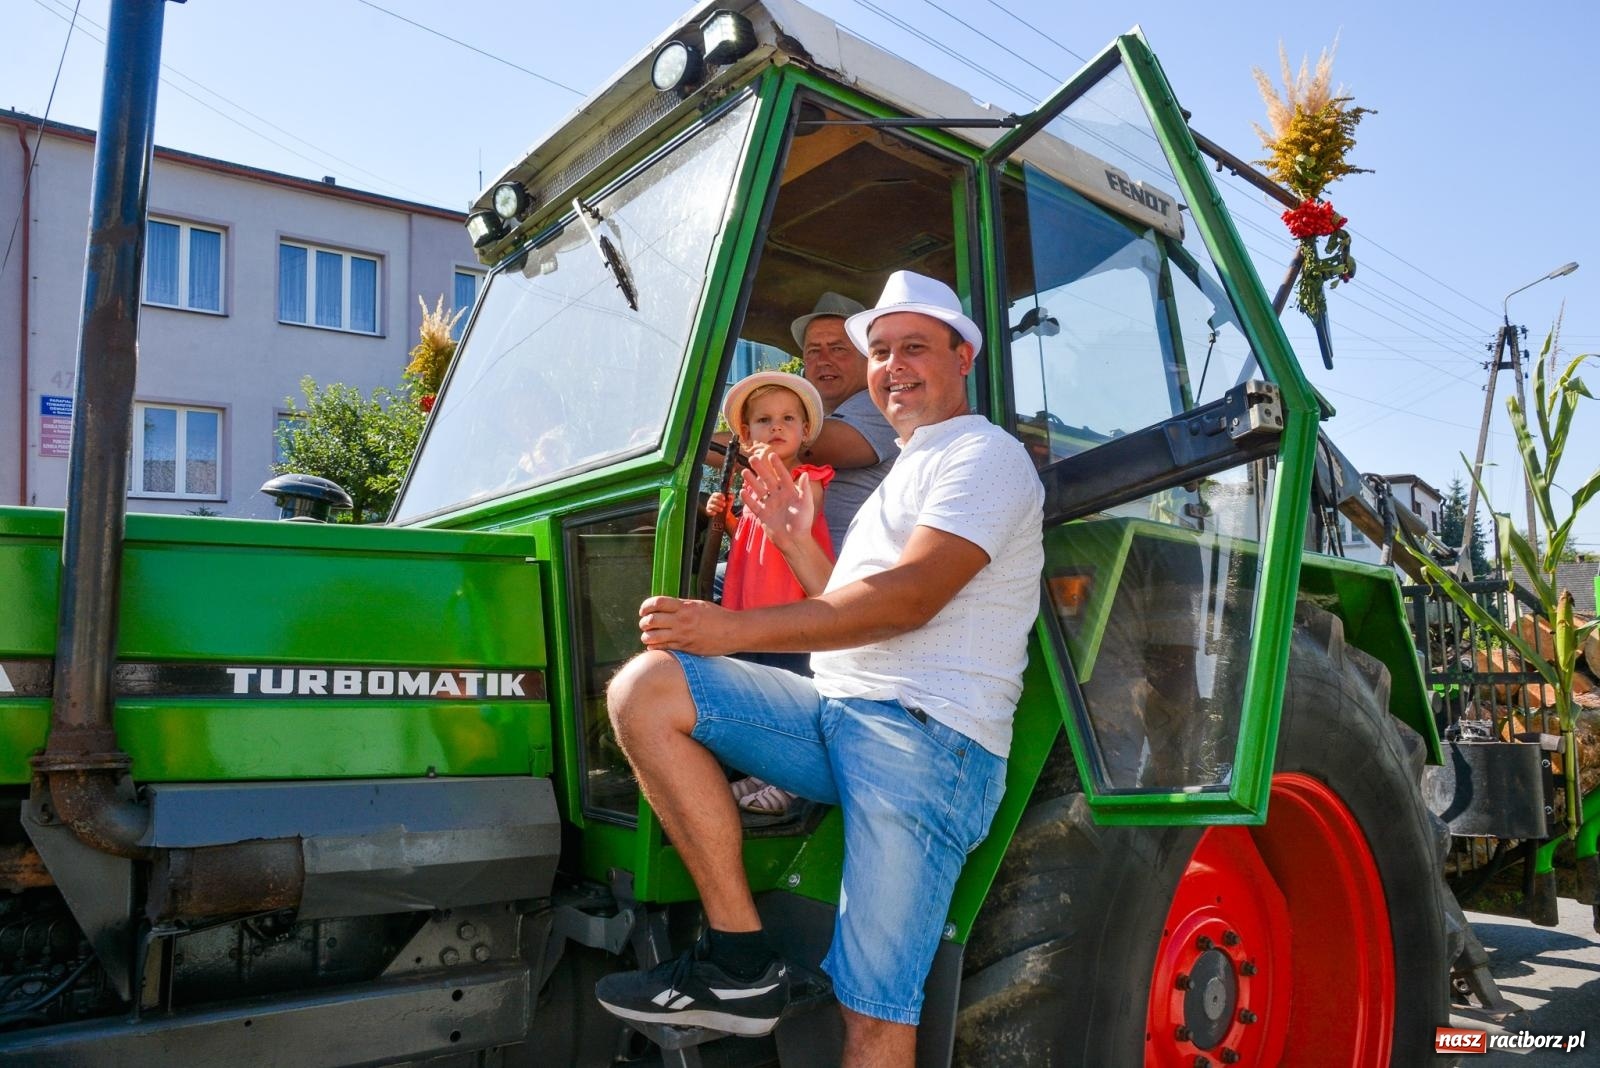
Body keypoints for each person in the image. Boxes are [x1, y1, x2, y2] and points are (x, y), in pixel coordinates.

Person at [597, 271, 1045, 1066]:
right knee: (648, 686)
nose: (893, 366)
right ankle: (739, 960)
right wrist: (797, 541)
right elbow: (848, 607)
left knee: (871, 1013)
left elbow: (908, 601)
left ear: (963, 357)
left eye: (914, 347)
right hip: (837, 712)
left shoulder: (986, 455)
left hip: (925, 741)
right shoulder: (904, 472)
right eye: (881, 351)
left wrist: (730, 629)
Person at [708, 370, 834, 816]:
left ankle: (794, 780)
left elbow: (795, 519)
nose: (776, 427)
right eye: (764, 420)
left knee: (791, 692)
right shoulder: (753, 487)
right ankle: (766, 770)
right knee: (759, 690)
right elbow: (752, 537)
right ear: (745, 436)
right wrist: (727, 519)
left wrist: (770, 472)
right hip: (753, 609)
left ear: (805, 431)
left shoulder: (807, 478)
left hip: (789, 608)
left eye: (787, 419)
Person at [790, 292, 900, 550]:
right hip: (801, 556)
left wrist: (698, 442)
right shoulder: (815, 417)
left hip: (845, 565)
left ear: (869, 358)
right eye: (813, 350)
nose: (823, 360)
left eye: (837, 349)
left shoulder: (881, 406)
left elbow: (796, 446)